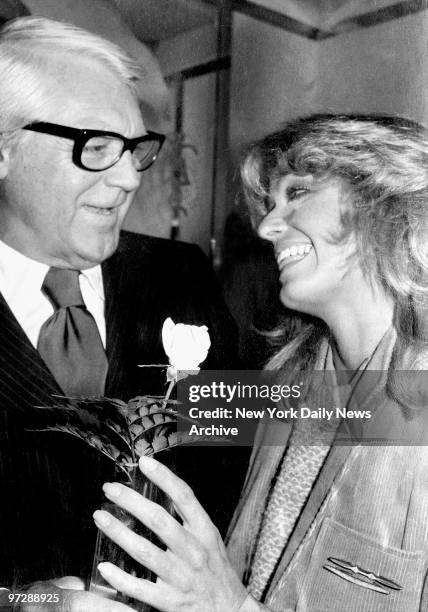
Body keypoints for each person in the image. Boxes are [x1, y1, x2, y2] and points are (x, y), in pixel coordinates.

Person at [93, 114, 428, 612]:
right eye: (270, 205)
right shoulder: (285, 381)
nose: (268, 227)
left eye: (297, 194)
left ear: (382, 197)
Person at [0, 15, 242, 600]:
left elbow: (233, 455)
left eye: (136, 148)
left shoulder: (181, 276)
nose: (131, 176)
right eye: (98, 146)